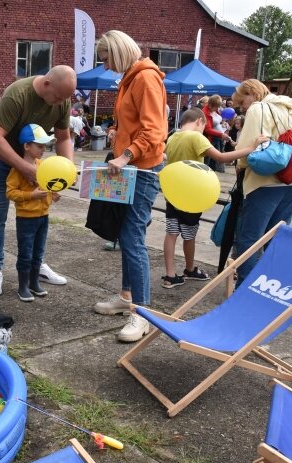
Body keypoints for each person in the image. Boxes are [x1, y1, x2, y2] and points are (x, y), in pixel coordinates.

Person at [92, 30, 167, 343]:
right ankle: (126, 297)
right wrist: (118, 133)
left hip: (142, 169)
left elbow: (155, 130)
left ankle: (143, 313)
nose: (105, 65)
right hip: (131, 167)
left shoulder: (145, 78)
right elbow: (136, 123)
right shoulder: (132, 77)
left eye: (106, 58)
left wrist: (125, 155)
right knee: (126, 235)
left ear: (119, 53)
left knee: (133, 238)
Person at [0, 65, 76, 296]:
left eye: (65, 99)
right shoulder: (18, 95)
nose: (59, 103)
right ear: (46, 84)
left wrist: (67, 172)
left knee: (39, 214)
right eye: (57, 97)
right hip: (0, 157)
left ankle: (38, 264)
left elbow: (64, 138)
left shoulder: (62, 99)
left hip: (32, 160)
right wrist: (24, 167)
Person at [161, 108, 268, 288]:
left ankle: (170, 275)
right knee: (189, 234)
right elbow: (221, 157)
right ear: (199, 122)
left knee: (171, 232)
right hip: (192, 193)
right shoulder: (196, 137)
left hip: (172, 191)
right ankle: (189, 268)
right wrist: (251, 148)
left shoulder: (173, 137)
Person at [231, 79, 292, 285]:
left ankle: (245, 287)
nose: (243, 109)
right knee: (276, 238)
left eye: (242, 103)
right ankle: (270, 286)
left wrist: (240, 164)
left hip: (264, 181)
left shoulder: (258, 109)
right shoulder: (291, 110)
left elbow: (246, 149)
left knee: (250, 238)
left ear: (251, 94)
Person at [6, 124, 59, 301]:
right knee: (26, 253)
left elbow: (48, 184)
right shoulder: (18, 169)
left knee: (38, 252)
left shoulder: (42, 165)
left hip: (43, 216)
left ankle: (34, 282)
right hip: (26, 219)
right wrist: (31, 195)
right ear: (27, 146)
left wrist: (54, 193)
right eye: (39, 146)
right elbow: (10, 192)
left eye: (45, 146)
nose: (44, 150)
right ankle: (23, 286)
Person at [202, 95, 229, 172]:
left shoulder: (213, 110)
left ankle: (213, 171)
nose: (217, 109)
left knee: (215, 158)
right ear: (210, 105)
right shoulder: (205, 113)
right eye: (216, 107)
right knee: (208, 159)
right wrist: (221, 134)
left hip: (216, 138)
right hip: (210, 138)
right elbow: (207, 130)